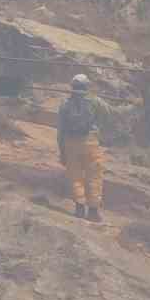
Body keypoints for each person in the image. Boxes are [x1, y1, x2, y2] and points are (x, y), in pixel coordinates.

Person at [57, 74, 105, 222]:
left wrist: (62, 151)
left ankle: (79, 207)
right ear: (87, 86)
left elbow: (60, 131)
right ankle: (93, 211)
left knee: (75, 176)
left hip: (70, 143)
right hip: (91, 143)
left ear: (72, 86)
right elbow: (111, 114)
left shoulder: (64, 104)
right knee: (94, 176)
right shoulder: (95, 101)